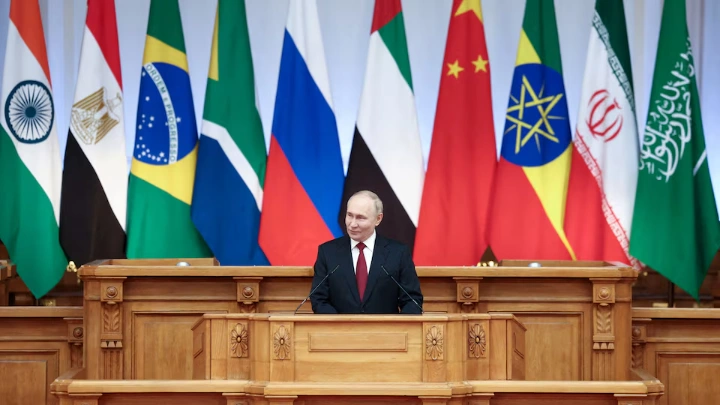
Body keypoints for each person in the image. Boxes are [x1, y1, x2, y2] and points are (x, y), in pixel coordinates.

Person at [310, 190, 423, 314]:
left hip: (386, 331)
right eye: (349, 215)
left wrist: (398, 329)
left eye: (360, 218)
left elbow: (412, 300)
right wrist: (340, 326)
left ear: (378, 219)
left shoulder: (398, 253)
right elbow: (319, 299)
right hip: (340, 331)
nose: (352, 224)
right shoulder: (328, 252)